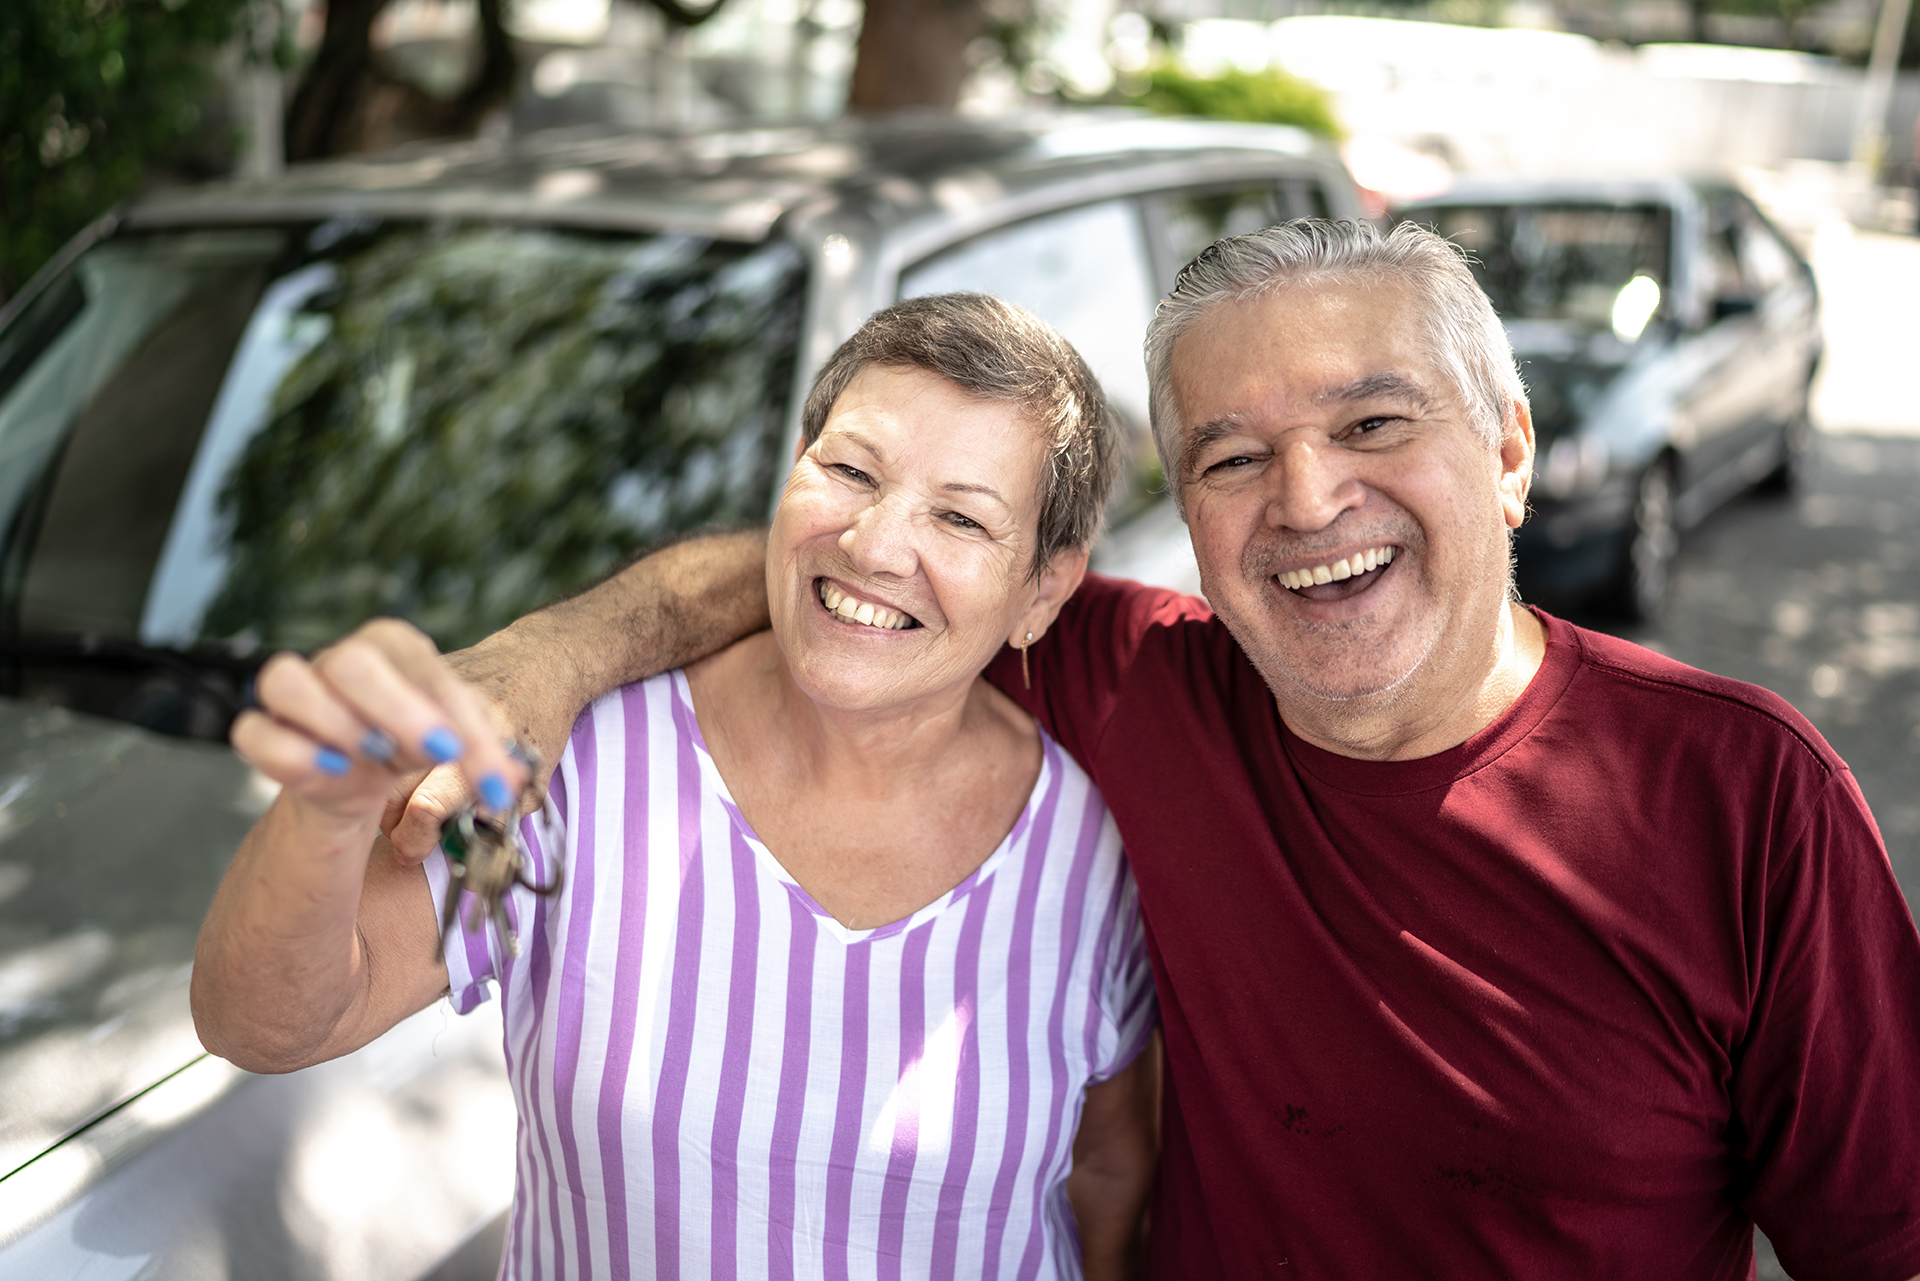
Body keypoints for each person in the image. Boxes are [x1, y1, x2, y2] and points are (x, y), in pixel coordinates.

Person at [391, 219, 1920, 1279]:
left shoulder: (1745, 801)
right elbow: (842, 568)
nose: (1309, 500)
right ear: (1186, 522)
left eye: (1375, 424)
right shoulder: (1140, 681)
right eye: (1233, 457)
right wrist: (539, 665)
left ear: (1509, 449)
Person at [192, 294, 1163, 1280]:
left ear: (1043, 591)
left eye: (960, 516)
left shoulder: (1093, 850)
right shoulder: (575, 768)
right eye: (849, 470)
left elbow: (1109, 1174)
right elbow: (265, 1023)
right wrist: (328, 802)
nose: (873, 545)